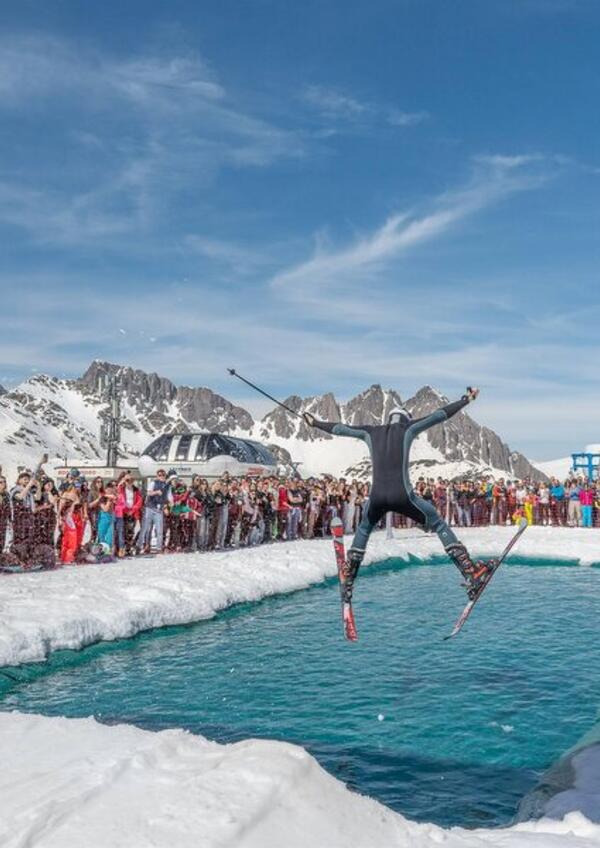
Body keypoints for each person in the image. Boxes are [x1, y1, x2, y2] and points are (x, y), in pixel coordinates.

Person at [303, 387, 492, 611]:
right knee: (437, 522)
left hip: (377, 497)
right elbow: (440, 414)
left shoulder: (370, 431)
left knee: (364, 529)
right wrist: (466, 400)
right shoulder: (408, 428)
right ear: (404, 418)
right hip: (403, 495)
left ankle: (348, 579)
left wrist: (314, 423)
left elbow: (339, 429)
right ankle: (470, 572)